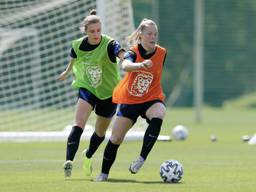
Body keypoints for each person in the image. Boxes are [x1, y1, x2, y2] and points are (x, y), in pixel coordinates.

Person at [95, 18, 167, 181]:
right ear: (140, 35)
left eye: (155, 34)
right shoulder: (133, 52)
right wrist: (140, 65)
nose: (153, 37)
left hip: (151, 98)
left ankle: (141, 158)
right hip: (130, 101)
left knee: (160, 112)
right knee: (116, 138)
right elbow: (125, 66)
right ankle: (103, 174)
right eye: (149, 33)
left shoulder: (162, 53)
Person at [58, 9, 124, 178]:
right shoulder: (78, 45)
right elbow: (73, 58)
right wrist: (66, 72)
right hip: (87, 88)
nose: (96, 34)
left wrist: (127, 60)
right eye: (92, 31)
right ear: (85, 32)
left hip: (109, 94)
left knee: (100, 133)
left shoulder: (109, 44)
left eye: (98, 31)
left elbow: (120, 52)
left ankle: (88, 156)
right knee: (78, 123)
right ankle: (68, 162)